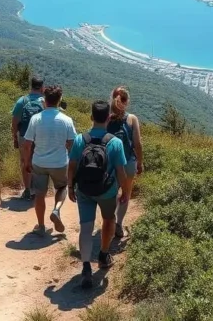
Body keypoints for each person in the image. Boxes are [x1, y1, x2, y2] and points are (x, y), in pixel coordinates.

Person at [68, 100, 129, 290]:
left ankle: (86, 267)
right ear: (109, 118)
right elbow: (121, 171)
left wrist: (70, 187)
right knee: (108, 220)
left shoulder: (80, 139)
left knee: (85, 228)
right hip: (107, 192)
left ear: (91, 117)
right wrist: (125, 192)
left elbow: (72, 166)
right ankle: (103, 254)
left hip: (84, 190)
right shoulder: (115, 142)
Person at [22, 85, 75, 236]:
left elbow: (27, 144)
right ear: (60, 100)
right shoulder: (66, 120)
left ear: (44, 100)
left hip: (39, 162)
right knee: (62, 188)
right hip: (59, 162)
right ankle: (56, 209)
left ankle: (41, 225)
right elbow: (72, 144)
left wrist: (27, 162)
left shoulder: (36, 119)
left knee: (39, 194)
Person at [107, 86, 144, 238]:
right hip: (128, 162)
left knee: (112, 193)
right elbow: (137, 143)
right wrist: (140, 162)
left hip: (109, 163)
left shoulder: (106, 117)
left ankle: (110, 220)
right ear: (127, 101)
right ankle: (119, 224)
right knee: (126, 193)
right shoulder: (132, 118)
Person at [11, 77, 45, 200]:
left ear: (31, 86)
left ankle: (27, 190)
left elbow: (14, 123)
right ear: (42, 88)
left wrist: (15, 137)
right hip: (41, 138)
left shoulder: (22, 101)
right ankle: (38, 189)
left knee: (25, 161)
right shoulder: (44, 102)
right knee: (39, 162)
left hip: (24, 136)